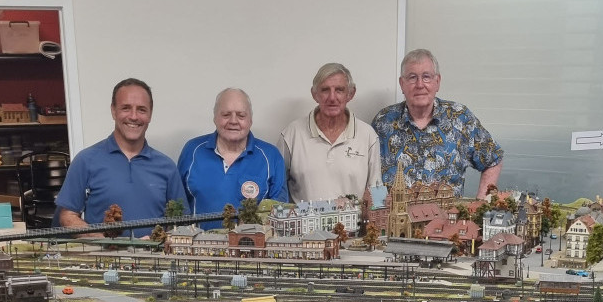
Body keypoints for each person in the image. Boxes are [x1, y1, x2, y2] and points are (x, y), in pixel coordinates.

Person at [55, 78, 187, 237]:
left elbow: (180, 222)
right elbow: (67, 216)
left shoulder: (166, 166)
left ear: (150, 114)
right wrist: (107, 243)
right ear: (113, 111)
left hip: (153, 260)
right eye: (126, 108)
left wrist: (159, 241)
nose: (134, 116)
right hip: (103, 260)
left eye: (142, 110)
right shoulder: (86, 160)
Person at [372, 48, 503, 199]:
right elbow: (372, 175)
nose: (420, 84)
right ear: (402, 84)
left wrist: (481, 204)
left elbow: (493, 159)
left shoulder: (460, 118)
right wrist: (379, 210)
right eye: (412, 77)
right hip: (397, 219)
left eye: (426, 77)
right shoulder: (383, 122)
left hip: (446, 221)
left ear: (437, 82)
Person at [178, 88, 288, 227]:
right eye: (226, 114)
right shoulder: (192, 150)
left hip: (250, 245)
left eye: (241, 115)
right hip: (198, 245)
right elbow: (177, 205)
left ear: (250, 120)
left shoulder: (271, 156)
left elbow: (280, 213)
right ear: (215, 117)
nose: (233, 121)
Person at [279, 63, 381, 203]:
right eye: (325, 90)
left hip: (353, 224)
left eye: (339, 90)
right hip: (305, 223)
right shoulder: (291, 134)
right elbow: (278, 190)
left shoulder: (368, 135)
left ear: (350, 94)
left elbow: (377, 193)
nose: (332, 98)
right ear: (315, 94)